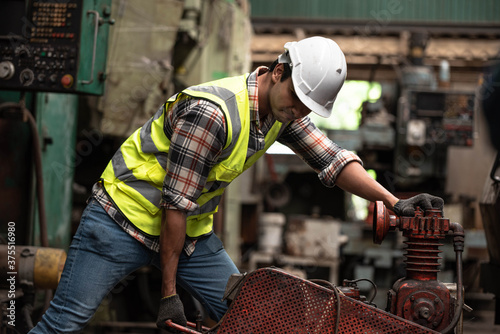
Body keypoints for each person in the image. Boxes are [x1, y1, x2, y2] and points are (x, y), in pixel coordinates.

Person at [29, 36, 443, 333]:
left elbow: (331, 159)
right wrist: (168, 292)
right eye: (297, 101)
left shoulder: (281, 113)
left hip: (189, 236)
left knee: (254, 316)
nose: (299, 112)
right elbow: (176, 202)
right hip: (120, 221)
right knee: (66, 321)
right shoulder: (214, 113)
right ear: (279, 72)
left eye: (306, 107)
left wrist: (394, 201)